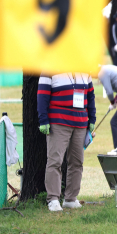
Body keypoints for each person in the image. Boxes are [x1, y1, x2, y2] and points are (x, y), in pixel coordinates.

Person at [37, 72, 96, 211]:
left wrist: (92, 119)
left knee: (77, 162)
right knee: (55, 161)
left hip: (80, 123)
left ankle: (70, 198)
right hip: (58, 122)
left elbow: (90, 96)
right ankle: (53, 199)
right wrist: (43, 119)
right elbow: (42, 95)